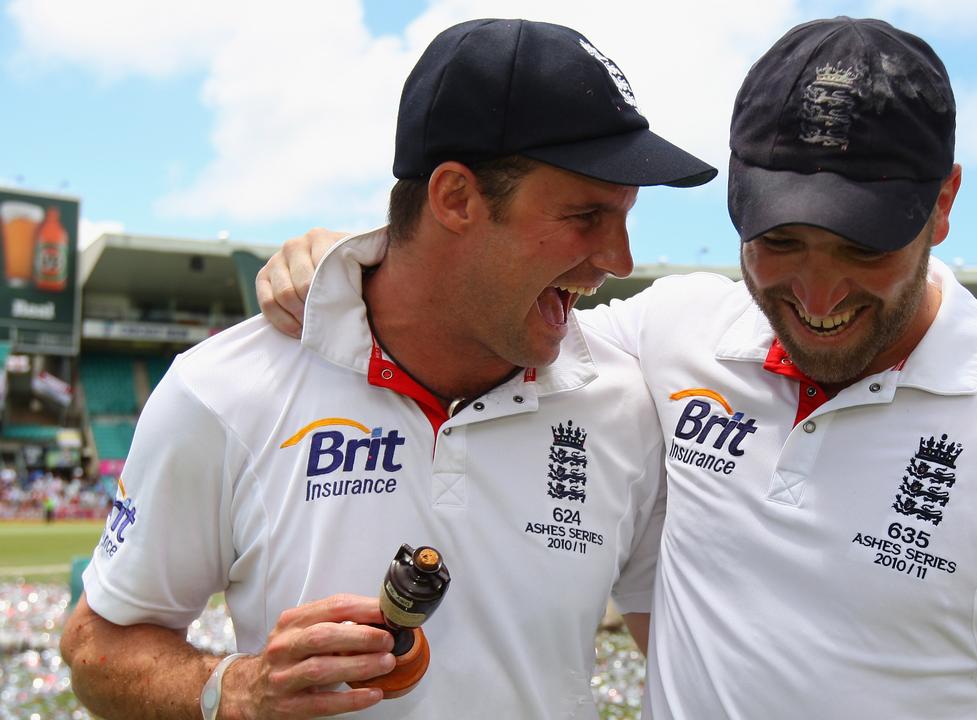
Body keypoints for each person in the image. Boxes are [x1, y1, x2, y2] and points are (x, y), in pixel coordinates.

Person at [254, 17, 977, 720]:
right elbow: (484, 299)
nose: (816, 292)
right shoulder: (675, 335)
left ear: (943, 205)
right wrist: (359, 258)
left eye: (862, 247)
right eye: (777, 240)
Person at [62, 19, 712, 720]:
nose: (619, 259)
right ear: (456, 197)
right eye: (587, 216)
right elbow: (96, 648)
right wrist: (235, 691)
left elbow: (689, 664)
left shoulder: (626, 403)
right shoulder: (223, 389)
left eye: (625, 218)